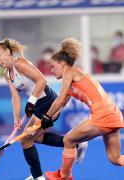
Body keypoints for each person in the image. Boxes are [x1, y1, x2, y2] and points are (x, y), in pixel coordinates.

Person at [0, 38, 88, 180]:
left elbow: (42, 81)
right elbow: (15, 97)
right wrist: (16, 117)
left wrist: (31, 102)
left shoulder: (20, 63)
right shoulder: (7, 74)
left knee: (26, 140)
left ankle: (37, 177)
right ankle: (75, 141)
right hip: (37, 105)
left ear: (7, 52)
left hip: (48, 102)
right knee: (35, 138)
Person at [39, 37, 124, 180]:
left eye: (53, 66)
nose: (51, 70)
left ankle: (64, 177)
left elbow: (59, 101)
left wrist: (45, 117)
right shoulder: (72, 76)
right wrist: (43, 123)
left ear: (63, 64)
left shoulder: (70, 72)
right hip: (113, 114)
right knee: (115, 159)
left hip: (103, 114)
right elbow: (61, 105)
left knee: (69, 140)